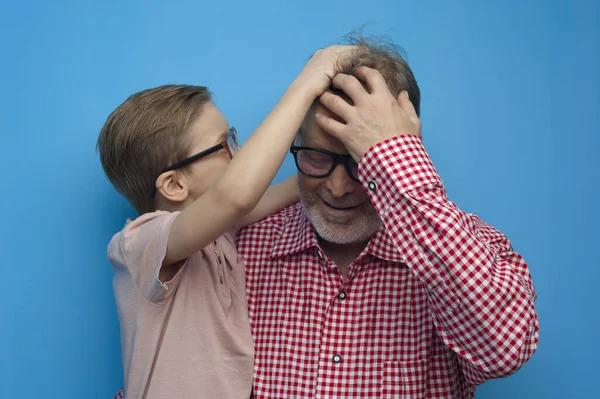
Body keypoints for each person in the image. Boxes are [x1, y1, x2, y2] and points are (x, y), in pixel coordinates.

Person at [237, 36, 539, 398]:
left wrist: (395, 159)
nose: (338, 187)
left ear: (404, 148)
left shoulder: (473, 249)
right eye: (316, 158)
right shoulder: (245, 247)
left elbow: (505, 351)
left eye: (360, 161)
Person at [97, 45, 353, 398]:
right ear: (174, 184)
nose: (238, 152)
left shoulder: (219, 234)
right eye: (224, 145)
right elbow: (237, 195)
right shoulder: (140, 243)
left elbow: (285, 190)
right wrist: (307, 83)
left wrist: (340, 161)